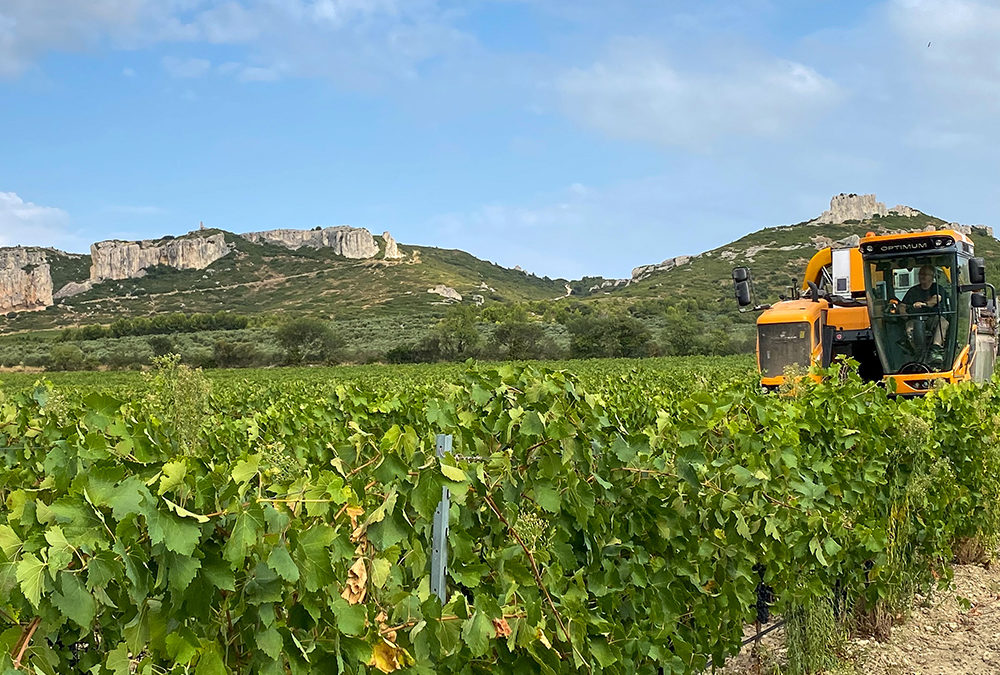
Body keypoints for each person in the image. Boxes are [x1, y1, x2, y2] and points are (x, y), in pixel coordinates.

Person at [899, 265, 949, 368]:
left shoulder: (937, 288)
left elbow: (937, 299)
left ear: (932, 276)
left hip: (932, 318)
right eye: (921, 274)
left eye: (925, 274)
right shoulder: (913, 291)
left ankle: (935, 350)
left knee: (942, 322)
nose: (922, 276)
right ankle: (917, 352)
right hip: (915, 319)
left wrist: (924, 304)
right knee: (909, 328)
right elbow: (902, 305)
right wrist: (903, 312)